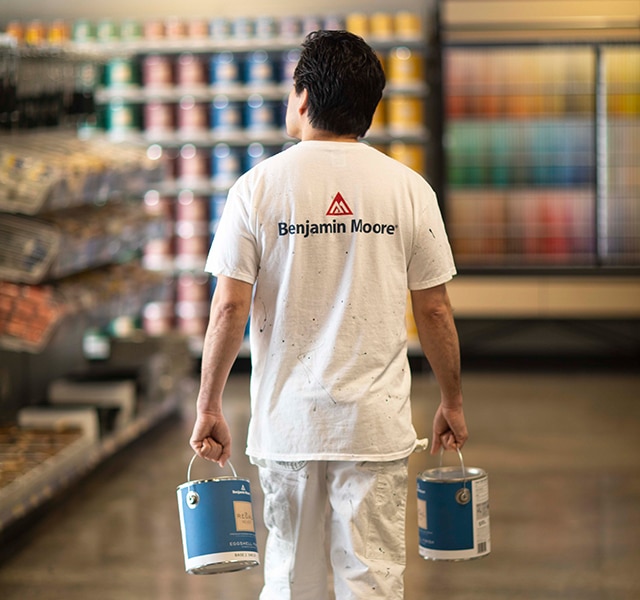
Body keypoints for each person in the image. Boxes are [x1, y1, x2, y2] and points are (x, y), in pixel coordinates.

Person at [190, 30, 468, 600]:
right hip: (372, 425)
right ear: (370, 106)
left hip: (288, 425)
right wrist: (452, 401)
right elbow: (435, 309)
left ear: (302, 96)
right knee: (370, 580)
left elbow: (228, 307)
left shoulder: (257, 189)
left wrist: (209, 404)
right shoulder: (408, 190)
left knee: (292, 580)